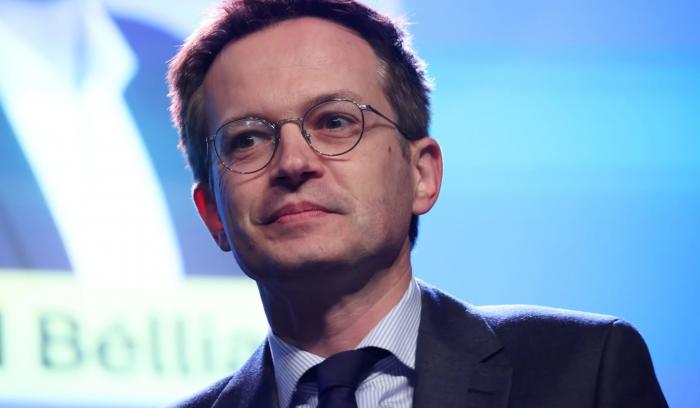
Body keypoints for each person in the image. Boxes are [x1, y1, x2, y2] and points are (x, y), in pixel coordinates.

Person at [167, 1, 668, 407]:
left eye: (336, 121)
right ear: (212, 214)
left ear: (421, 174)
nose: (294, 162)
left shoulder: (584, 370)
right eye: (248, 139)